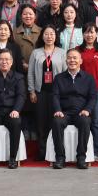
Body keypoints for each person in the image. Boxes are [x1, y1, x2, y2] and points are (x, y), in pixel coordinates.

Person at [50, 49, 98, 169]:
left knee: (85, 121)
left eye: (75, 58)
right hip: (64, 113)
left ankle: (81, 158)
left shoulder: (89, 78)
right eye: (69, 58)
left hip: (81, 112)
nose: (72, 60)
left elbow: (93, 97)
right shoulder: (59, 78)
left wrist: (87, 110)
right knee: (56, 121)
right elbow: (55, 96)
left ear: (81, 61)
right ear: (66, 60)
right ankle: (60, 158)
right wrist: (58, 110)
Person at [28, 26, 66, 160]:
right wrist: (32, 91)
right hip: (40, 93)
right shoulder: (36, 53)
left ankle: (54, 151)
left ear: (56, 36)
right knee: (41, 123)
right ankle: (42, 151)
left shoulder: (62, 52)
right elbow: (30, 73)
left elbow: (65, 74)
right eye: (46, 34)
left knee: (54, 122)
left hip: (57, 94)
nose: (49, 37)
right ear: (42, 36)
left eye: (52, 34)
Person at [77, 23, 98, 158]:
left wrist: (95, 87)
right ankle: (82, 150)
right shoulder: (77, 50)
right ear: (83, 34)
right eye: (86, 32)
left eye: (92, 32)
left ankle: (96, 151)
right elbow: (75, 69)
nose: (89, 35)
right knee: (83, 119)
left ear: (96, 34)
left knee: (96, 120)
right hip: (80, 90)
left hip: (97, 90)